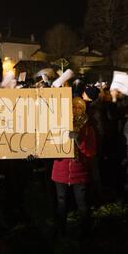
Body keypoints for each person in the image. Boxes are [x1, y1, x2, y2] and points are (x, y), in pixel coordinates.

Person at [51, 97, 96, 237]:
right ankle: (61, 230)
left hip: (79, 173)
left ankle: (85, 231)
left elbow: (91, 151)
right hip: (60, 172)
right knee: (61, 203)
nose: (76, 110)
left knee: (82, 203)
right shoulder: (58, 126)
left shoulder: (88, 129)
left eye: (79, 107)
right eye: (73, 107)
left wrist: (79, 140)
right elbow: (50, 147)